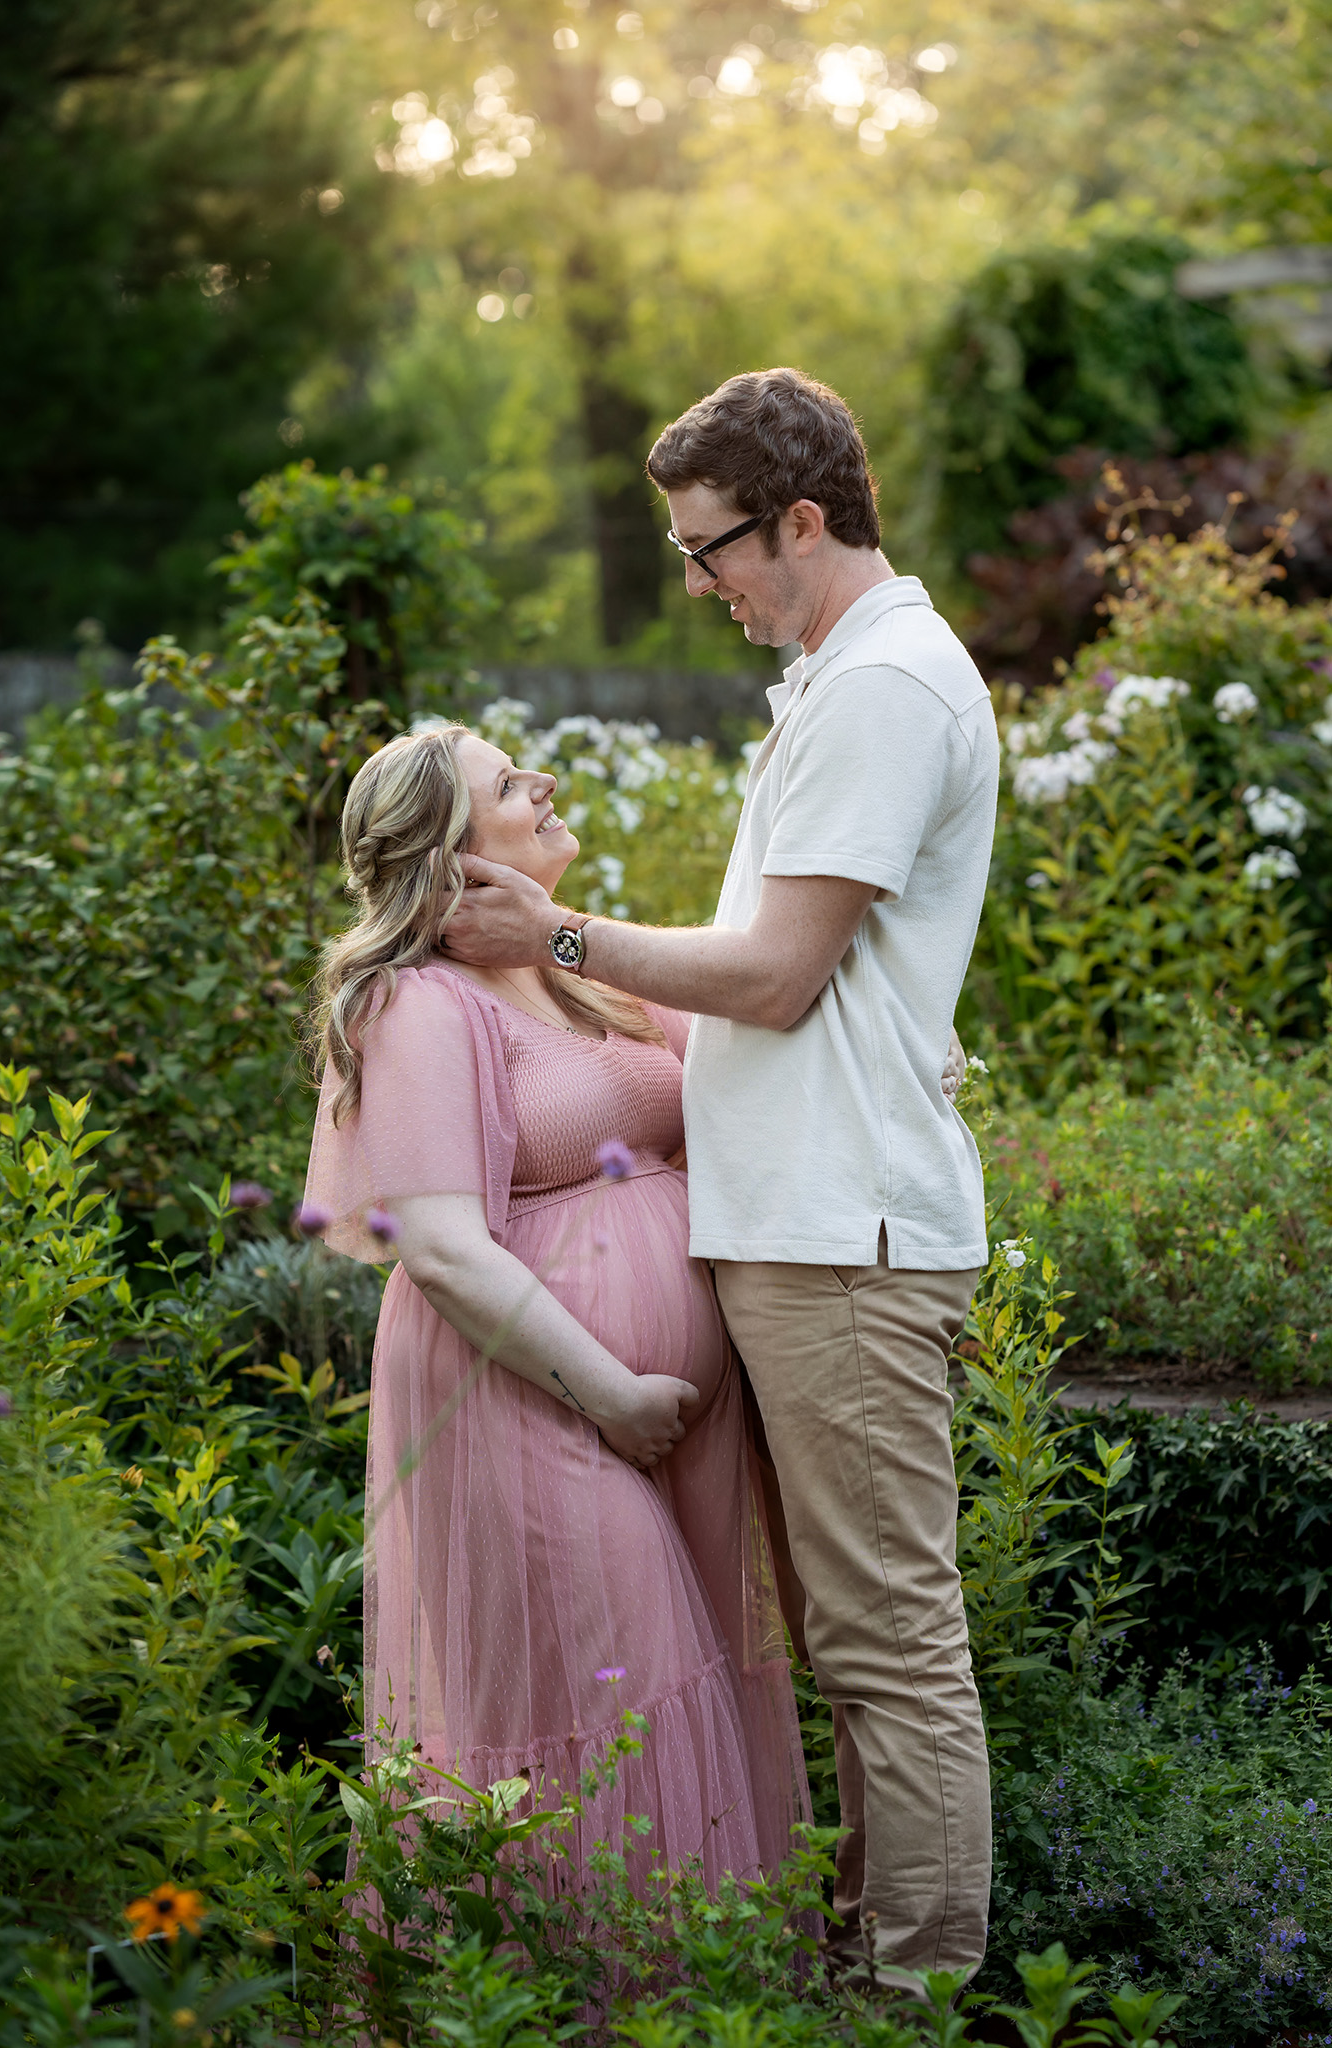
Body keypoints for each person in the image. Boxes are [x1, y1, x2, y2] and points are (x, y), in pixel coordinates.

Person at [440, 367, 998, 1975]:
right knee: (845, 1636)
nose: (699, 586)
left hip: (847, 1235)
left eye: (712, 551)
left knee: (887, 1642)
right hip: (806, 1222)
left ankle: (915, 1991)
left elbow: (776, 975)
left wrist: (547, 931)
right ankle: (862, 1958)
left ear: (802, 521)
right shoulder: (838, 675)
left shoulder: (889, 683)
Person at [300, 723, 810, 1899]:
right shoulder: (421, 1003)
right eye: (509, 785)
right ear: (450, 853)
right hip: (534, 1402)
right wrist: (612, 1390)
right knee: (624, 1702)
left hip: (667, 1418)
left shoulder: (580, 967)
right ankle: (602, 2009)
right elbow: (437, 1244)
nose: (544, 786)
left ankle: (712, 2007)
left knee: (692, 1686)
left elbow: (756, 1043)